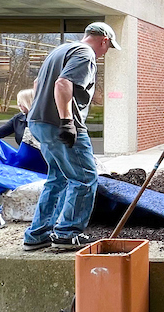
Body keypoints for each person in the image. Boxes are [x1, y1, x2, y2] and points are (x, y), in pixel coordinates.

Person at [22, 22, 119, 251]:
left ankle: (37, 235)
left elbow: (37, 84)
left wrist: (40, 110)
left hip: (40, 123)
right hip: (60, 125)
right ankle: (67, 234)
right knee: (85, 178)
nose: (105, 53)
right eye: (108, 47)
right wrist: (67, 122)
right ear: (103, 40)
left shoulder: (60, 50)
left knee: (58, 178)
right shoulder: (85, 54)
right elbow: (63, 83)